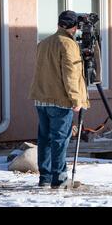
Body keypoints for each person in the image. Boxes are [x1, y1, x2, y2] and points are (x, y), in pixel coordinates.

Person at [29, 10, 90, 189]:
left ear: (58, 25)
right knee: (59, 139)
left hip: (41, 98)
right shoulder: (68, 44)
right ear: (74, 27)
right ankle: (60, 178)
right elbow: (70, 74)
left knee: (45, 138)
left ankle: (45, 178)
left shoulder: (44, 43)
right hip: (60, 100)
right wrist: (76, 99)